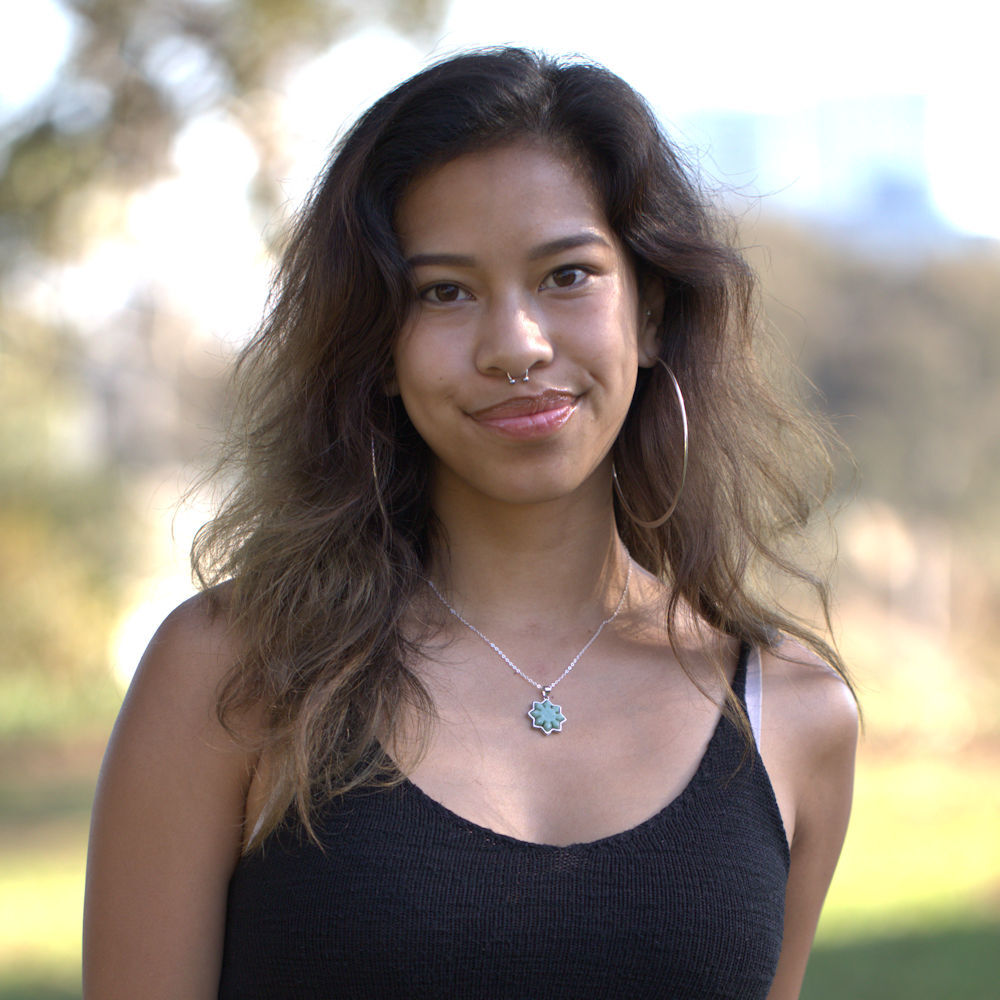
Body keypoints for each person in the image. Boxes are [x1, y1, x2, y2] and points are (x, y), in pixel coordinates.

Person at [83, 47, 858, 999]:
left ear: (651, 313)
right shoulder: (233, 674)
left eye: (568, 275)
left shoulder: (795, 714)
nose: (515, 346)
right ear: (376, 347)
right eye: (443, 291)